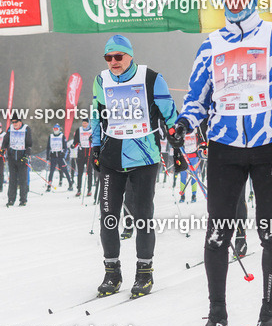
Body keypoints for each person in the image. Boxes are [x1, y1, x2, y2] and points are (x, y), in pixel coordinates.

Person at [174, 0, 272, 326]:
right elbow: (198, 98)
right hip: (225, 148)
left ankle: (269, 314)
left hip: (268, 147)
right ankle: (217, 317)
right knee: (218, 233)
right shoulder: (211, 45)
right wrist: (185, 122)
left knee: (268, 231)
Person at [92, 33, 178, 298]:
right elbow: (96, 115)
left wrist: (177, 140)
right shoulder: (101, 80)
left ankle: (144, 273)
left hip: (144, 158)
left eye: (118, 56)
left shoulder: (151, 78)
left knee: (142, 217)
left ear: (130, 55)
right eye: (109, 57)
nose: (114, 62)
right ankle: (112, 273)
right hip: (112, 158)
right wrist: (95, 147)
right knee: (108, 218)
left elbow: (170, 113)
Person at [3, 114, 33, 206]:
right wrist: (2, 149)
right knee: (12, 180)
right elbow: (6, 140)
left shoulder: (26, 129)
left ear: (20, 122)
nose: (14, 124)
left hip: (22, 157)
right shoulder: (10, 128)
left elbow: (29, 144)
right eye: (13, 122)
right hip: (12, 157)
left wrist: (26, 156)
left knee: (23, 179)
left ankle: (23, 200)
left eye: (16, 122)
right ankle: (11, 199)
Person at [45, 123, 73, 191]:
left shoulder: (62, 136)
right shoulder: (51, 136)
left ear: (59, 129)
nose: (55, 130)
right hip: (53, 156)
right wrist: (47, 156)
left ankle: (70, 184)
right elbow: (48, 147)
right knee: (51, 171)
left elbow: (65, 147)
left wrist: (63, 154)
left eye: (56, 129)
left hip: (60, 156)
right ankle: (49, 185)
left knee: (65, 170)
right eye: (54, 129)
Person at [177, 125, 201, 203]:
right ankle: (182, 195)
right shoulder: (180, 130)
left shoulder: (196, 129)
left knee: (194, 177)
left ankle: (194, 195)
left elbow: (200, 140)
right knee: (183, 177)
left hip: (194, 157)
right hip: (184, 157)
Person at [72, 118, 95, 197]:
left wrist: (92, 140)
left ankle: (89, 189)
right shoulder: (79, 130)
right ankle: (79, 189)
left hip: (89, 153)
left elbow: (96, 140)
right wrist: (73, 145)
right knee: (80, 172)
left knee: (89, 172)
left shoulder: (92, 130)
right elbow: (76, 141)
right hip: (81, 153)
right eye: (83, 123)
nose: (84, 124)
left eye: (85, 123)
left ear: (88, 123)